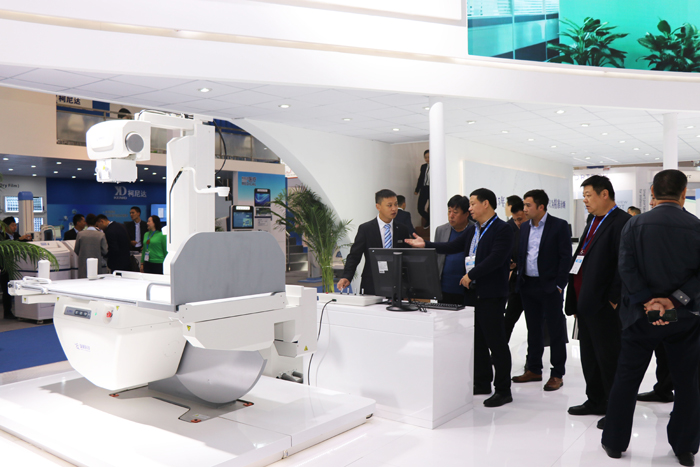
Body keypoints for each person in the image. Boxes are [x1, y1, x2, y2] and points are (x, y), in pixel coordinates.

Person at [602, 170, 700, 466]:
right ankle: (685, 447)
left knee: (626, 378)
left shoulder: (634, 225)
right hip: (684, 317)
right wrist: (673, 301)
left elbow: (626, 267)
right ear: (684, 193)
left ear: (653, 193)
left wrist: (649, 302)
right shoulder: (696, 226)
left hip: (640, 316)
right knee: (688, 383)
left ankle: (615, 442)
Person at [407, 188, 514, 407]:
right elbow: (452, 246)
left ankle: (503, 390)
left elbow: (496, 258)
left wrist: (471, 275)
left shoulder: (502, 229)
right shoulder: (474, 229)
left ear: (486, 204)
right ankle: (482, 382)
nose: (470, 208)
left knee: (496, 343)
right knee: (477, 341)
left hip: (491, 294)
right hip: (472, 293)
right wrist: (426, 244)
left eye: (473, 204)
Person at [565, 176, 631, 426]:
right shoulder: (593, 220)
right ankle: (595, 401)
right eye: (583, 195)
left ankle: (615, 410)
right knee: (589, 356)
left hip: (605, 304)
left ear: (605, 194)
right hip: (586, 300)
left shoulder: (622, 222)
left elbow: (624, 264)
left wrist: (613, 298)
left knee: (609, 358)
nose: (585, 200)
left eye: (588, 195)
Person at [512, 189, 571, 391]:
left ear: (541, 207)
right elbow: (523, 254)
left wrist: (559, 285)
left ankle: (557, 374)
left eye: (528, 205)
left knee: (555, 331)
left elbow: (565, 257)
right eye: (524, 205)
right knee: (533, 329)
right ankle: (534, 369)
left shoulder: (559, 226)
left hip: (550, 287)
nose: (524, 209)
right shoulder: (524, 227)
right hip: (528, 285)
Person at [336, 189, 412, 295]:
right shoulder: (366, 229)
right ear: (378, 207)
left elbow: (408, 257)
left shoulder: (402, 229)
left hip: (397, 284)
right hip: (371, 283)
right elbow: (354, 256)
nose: (394, 209)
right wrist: (346, 276)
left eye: (395, 204)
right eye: (389, 205)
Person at [434, 195, 473, 304]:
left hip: (466, 289)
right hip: (444, 288)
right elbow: (436, 258)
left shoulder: (474, 230)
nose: (451, 216)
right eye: (449, 211)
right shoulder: (441, 230)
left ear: (466, 214)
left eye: (455, 212)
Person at [504, 196, 526, 342]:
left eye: (520, 219)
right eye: (515, 220)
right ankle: (499, 351)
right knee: (508, 320)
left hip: (534, 285)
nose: (517, 223)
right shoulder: (514, 231)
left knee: (535, 324)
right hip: (516, 283)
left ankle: (533, 356)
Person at [74, 214, 109, 278]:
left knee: (83, 282)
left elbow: (76, 250)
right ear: (96, 223)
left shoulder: (80, 234)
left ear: (86, 223)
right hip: (97, 265)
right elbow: (105, 251)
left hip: (83, 265)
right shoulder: (101, 235)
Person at [414, 150, 430, 227]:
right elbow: (421, 178)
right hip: (424, 188)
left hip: (432, 189)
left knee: (431, 208)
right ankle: (428, 218)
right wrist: (417, 189)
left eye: (429, 157)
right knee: (420, 208)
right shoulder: (423, 166)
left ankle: (430, 222)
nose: (427, 159)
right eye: (425, 157)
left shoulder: (437, 166)